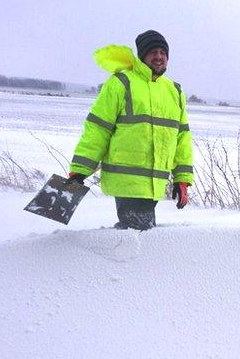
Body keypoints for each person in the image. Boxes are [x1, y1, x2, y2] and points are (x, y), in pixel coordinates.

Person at [67, 30, 193, 230]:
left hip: (155, 184)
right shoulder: (121, 83)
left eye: (163, 52)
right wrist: (81, 169)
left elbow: (182, 138)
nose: (159, 56)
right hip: (127, 181)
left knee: (139, 237)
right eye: (153, 52)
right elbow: (98, 128)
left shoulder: (174, 91)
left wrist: (182, 179)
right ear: (142, 55)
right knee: (137, 236)